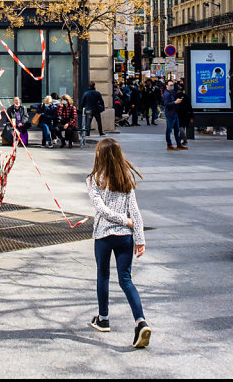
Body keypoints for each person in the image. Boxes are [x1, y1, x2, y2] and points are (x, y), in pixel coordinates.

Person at [86, 137, 151, 348]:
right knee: (126, 279)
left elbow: (102, 210)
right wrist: (139, 238)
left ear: (100, 155)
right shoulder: (126, 178)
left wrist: (125, 221)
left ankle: (103, 318)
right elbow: (136, 212)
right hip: (125, 237)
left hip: (104, 235)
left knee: (103, 275)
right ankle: (140, 322)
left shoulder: (94, 179)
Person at [162, 80, 184, 150]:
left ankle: (179, 143)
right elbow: (166, 104)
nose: (172, 86)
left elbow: (178, 88)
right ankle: (169, 144)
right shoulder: (166, 94)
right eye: (170, 85)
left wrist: (175, 83)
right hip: (170, 114)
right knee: (169, 130)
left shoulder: (172, 92)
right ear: (166, 86)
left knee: (177, 130)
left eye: (172, 85)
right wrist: (175, 102)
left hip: (174, 113)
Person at [175, 81, 192, 149]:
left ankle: (183, 138)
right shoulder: (186, 96)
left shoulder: (175, 96)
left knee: (179, 126)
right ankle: (182, 139)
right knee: (183, 126)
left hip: (178, 113)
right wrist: (191, 115)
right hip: (185, 113)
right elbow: (189, 106)